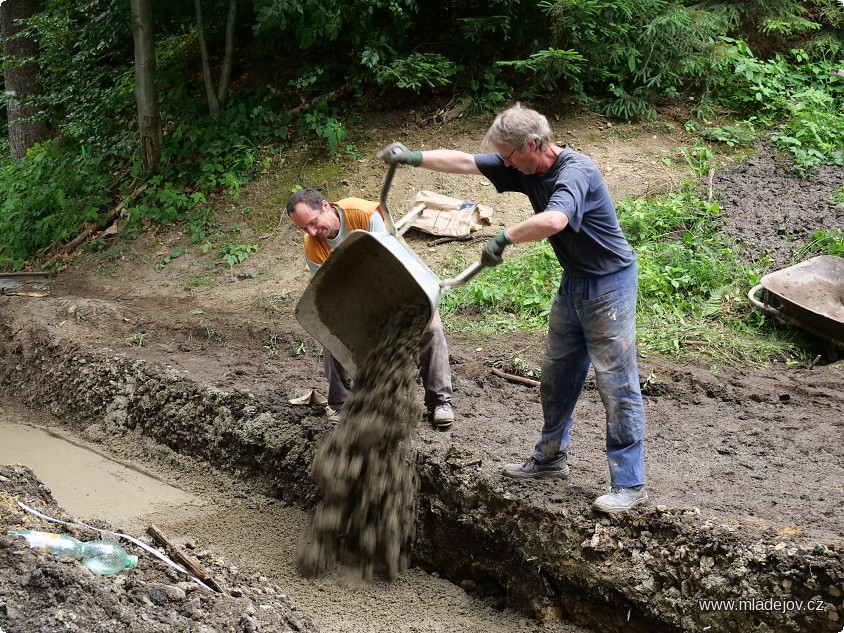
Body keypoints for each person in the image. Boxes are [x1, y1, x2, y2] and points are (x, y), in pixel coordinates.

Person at [377, 103, 647, 513]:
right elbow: (467, 163)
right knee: (556, 376)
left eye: (508, 155)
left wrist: (504, 238)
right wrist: (412, 158)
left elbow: (555, 220)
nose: (504, 163)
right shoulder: (524, 165)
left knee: (616, 381)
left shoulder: (576, 172)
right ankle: (550, 458)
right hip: (574, 282)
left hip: (610, 284)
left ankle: (629, 483)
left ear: (534, 144)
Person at [285, 188, 456, 430]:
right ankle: (341, 405)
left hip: (403, 282)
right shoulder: (313, 245)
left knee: (431, 328)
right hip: (358, 299)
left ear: (325, 206)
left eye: (313, 223)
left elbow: (386, 264)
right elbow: (328, 293)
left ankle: (440, 402)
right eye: (304, 229)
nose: (312, 232)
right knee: (331, 336)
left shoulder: (364, 214)